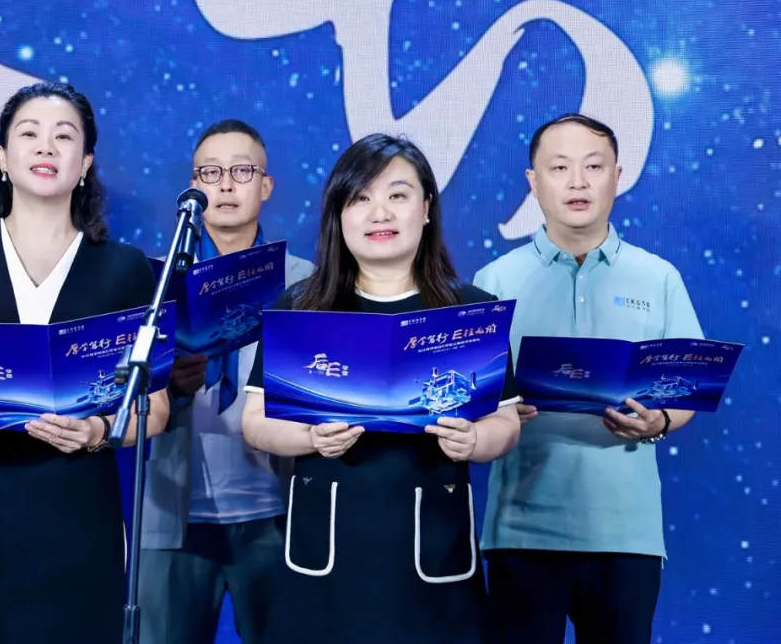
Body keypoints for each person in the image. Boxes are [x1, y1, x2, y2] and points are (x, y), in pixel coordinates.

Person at [0, 82, 170, 643]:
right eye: (29, 134)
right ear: (3, 156)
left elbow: (156, 407)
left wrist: (96, 431)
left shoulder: (124, 269)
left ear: (85, 163)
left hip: (78, 511)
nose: (46, 147)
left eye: (64, 137)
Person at [241, 133, 521, 644]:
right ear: (338, 214)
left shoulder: (469, 311)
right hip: (326, 551)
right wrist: (309, 438)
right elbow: (256, 422)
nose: (380, 213)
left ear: (426, 208)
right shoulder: (302, 308)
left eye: (397, 195)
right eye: (361, 198)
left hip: (432, 553)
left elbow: (506, 422)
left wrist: (477, 441)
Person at [475, 114, 704, 644]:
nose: (577, 182)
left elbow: (686, 389)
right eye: (559, 168)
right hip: (521, 531)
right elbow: (472, 399)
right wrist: (500, 410)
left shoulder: (659, 277)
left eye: (594, 167)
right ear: (534, 181)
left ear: (617, 176)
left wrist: (658, 421)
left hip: (627, 534)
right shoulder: (494, 281)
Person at [139, 120, 314, 643]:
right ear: (193, 186)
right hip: (173, 516)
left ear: (266, 185)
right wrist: (169, 385)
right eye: (210, 173)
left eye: (242, 171)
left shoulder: (305, 281)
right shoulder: (155, 282)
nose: (226, 185)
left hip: (276, 514)